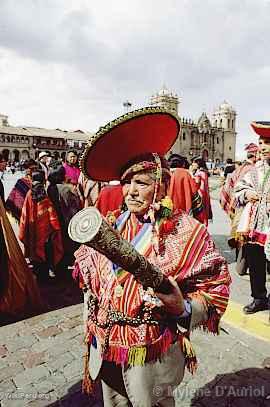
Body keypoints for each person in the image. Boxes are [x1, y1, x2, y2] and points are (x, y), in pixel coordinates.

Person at [72, 107, 231, 406]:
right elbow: (87, 276)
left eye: (141, 183)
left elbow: (216, 288)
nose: (130, 192)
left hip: (152, 358)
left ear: (161, 187)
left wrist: (182, 307)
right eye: (126, 183)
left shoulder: (189, 232)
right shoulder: (111, 224)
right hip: (106, 350)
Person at [234, 121, 270, 314]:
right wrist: (247, 194)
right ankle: (259, 298)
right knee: (255, 263)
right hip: (254, 226)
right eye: (261, 142)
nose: (263, 146)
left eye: (267, 142)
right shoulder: (255, 170)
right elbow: (238, 190)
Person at [19, 170, 64, 282]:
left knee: (35, 254)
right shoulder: (44, 194)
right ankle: (46, 276)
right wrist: (56, 228)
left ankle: (38, 276)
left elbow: (25, 214)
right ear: (43, 180)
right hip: (46, 232)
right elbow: (51, 213)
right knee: (46, 253)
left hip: (32, 230)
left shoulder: (29, 193)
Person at [168, 154, 205, 222]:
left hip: (165, 215)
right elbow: (194, 195)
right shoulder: (185, 174)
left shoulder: (164, 173)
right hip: (183, 215)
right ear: (183, 165)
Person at [189, 157, 213, 226]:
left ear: (198, 163)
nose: (192, 164)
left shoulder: (199, 173)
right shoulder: (204, 172)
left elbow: (195, 184)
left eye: (194, 162)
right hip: (204, 196)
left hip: (199, 196)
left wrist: (191, 174)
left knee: (198, 216)